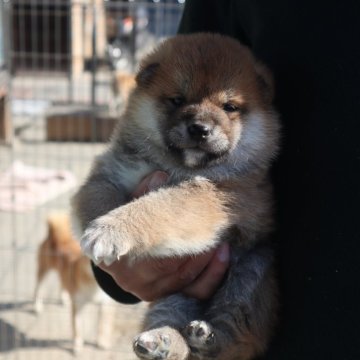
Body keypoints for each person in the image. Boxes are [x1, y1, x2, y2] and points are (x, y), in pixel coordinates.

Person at [92, 0, 360, 358]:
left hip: (284, 302)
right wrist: (113, 267)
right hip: (286, 334)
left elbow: (205, 202)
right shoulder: (214, 35)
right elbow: (109, 236)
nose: (202, 121)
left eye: (229, 108)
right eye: (177, 100)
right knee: (176, 308)